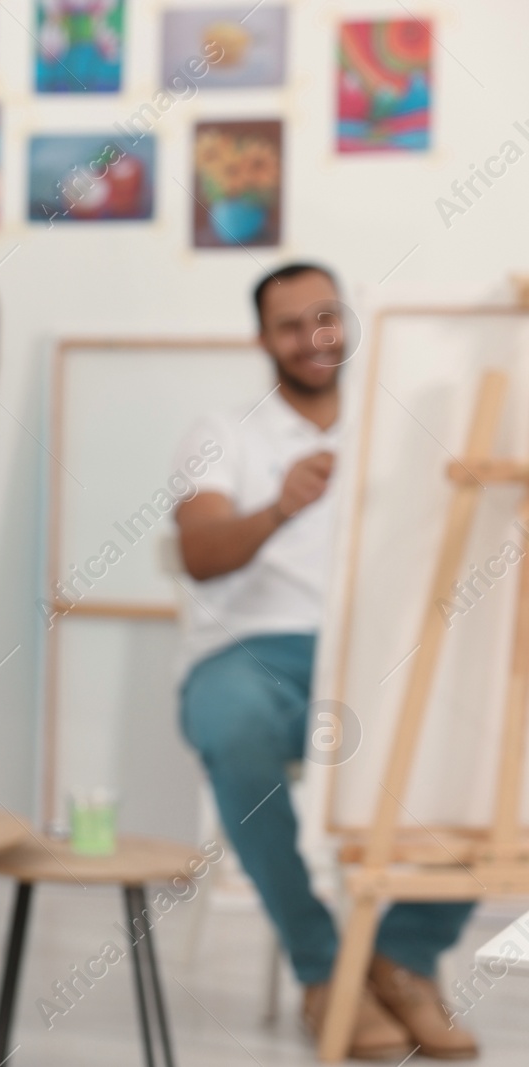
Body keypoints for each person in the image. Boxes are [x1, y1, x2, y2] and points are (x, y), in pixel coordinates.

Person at [173, 263, 478, 1060]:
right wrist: (279, 507)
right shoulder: (225, 431)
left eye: (326, 317)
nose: (315, 339)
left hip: (378, 648)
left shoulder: (398, 426)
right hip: (254, 648)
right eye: (291, 325)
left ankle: (403, 957)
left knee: (495, 733)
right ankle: (323, 967)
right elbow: (199, 552)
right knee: (232, 723)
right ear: (262, 339)